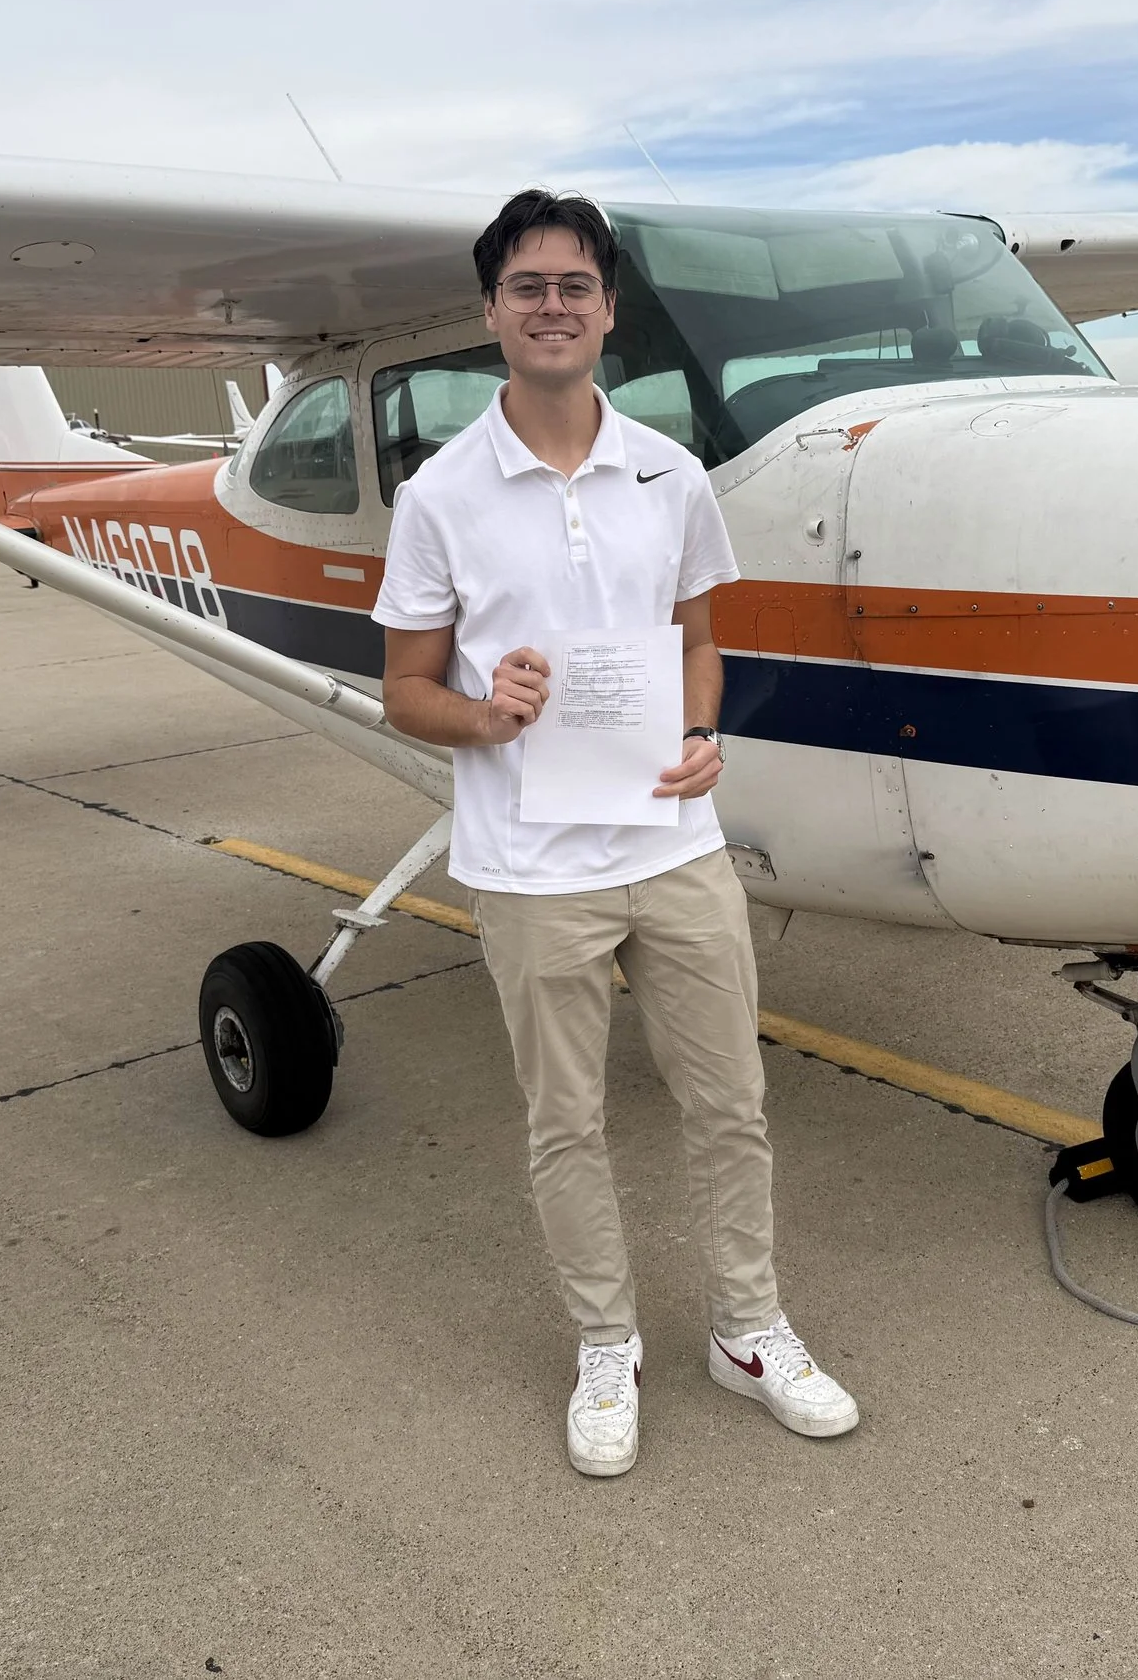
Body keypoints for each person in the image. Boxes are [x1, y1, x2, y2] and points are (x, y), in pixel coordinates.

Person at [373, 190, 859, 1478]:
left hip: (675, 848)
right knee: (565, 1123)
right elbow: (405, 689)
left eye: (574, 286)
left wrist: (705, 736)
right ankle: (606, 1344)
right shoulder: (440, 497)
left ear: (605, 309)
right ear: (492, 312)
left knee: (731, 1105)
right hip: (534, 873)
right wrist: (489, 716)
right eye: (526, 286)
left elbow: (700, 645)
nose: (552, 306)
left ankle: (748, 1330)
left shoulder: (669, 473)